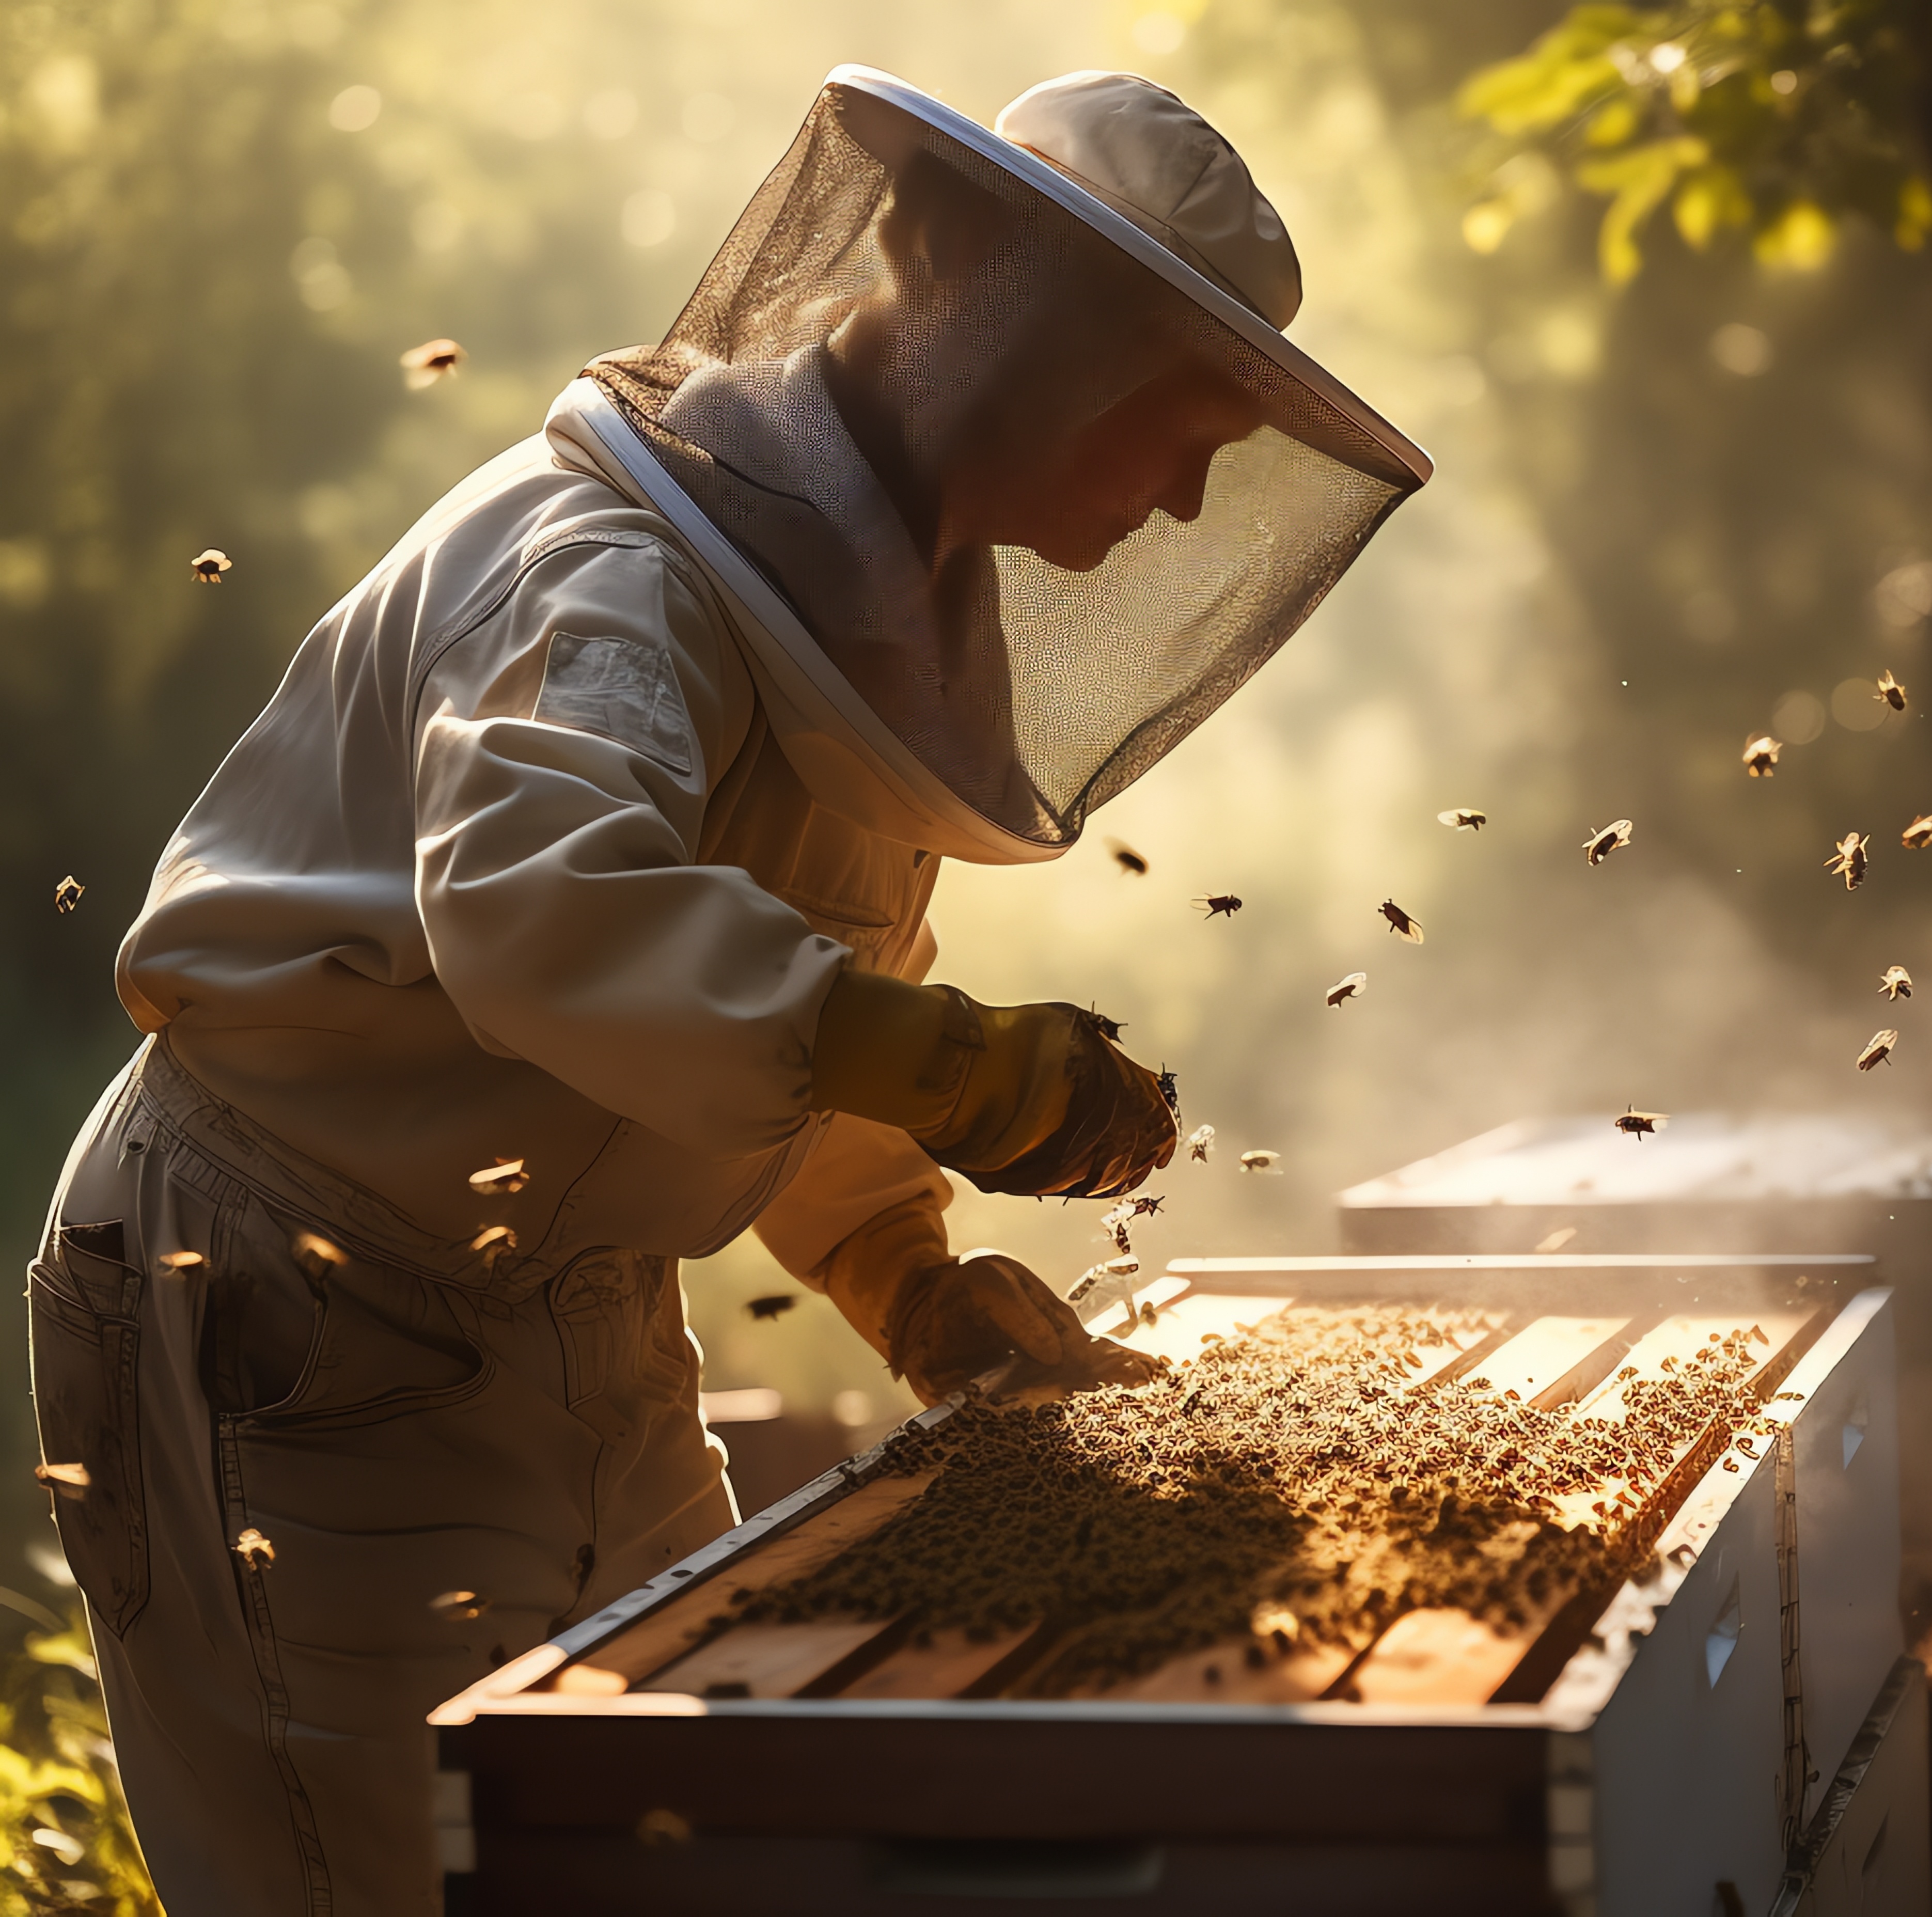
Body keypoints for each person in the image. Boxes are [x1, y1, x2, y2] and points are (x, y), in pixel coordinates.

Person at [26, 66, 1428, 1915]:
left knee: (680, 1854)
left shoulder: (879, 624)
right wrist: (942, 1062)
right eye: (1171, 408)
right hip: (294, 1306)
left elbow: (771, 1011)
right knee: (398, 1882)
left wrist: (903, 1271)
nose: (1182, 492)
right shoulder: (608, 574)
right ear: (957, 275)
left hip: (568, 1298)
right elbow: (550, 908)